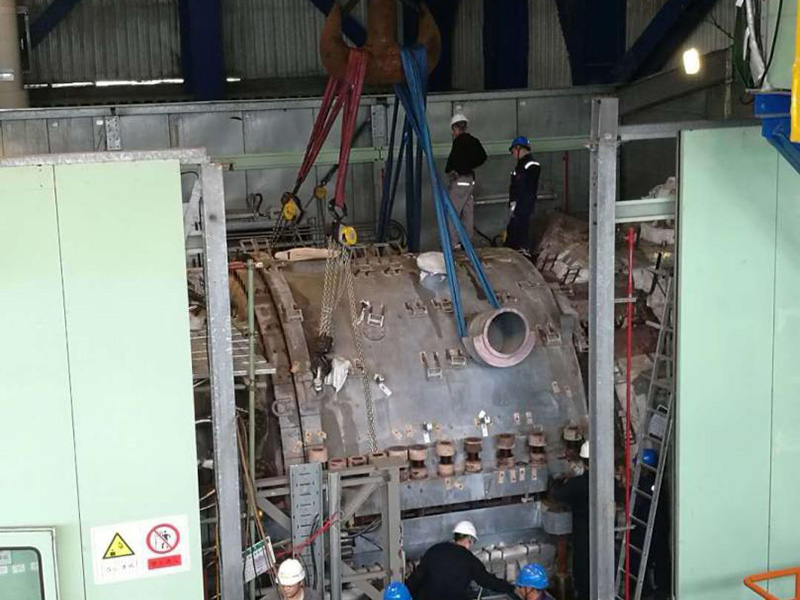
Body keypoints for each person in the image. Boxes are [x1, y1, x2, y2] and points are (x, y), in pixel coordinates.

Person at [406, 520, 516, 600]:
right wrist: (512, 588)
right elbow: (488, 581)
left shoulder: (434, 550)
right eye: (472, 542)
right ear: (469, 539)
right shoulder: (469, 559)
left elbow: (417, 578)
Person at [550, 441, 590, 600]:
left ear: (584, 462)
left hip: (583, 533)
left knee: (583, 569)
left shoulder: (577, 484)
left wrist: (557, 480)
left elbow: (557, 495)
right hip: (606, 534)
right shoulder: (609, 481)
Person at [444, 114, 487, 247]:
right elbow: (483, 157)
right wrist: (469, 166)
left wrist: (457, 169)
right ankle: (467, 243)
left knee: (453, 212)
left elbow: (451, 163)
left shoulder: (458, 142)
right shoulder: (473, 140)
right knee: (468, 213)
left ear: (455, 128)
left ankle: (453, 243)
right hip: (470, 181)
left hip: (460, 181)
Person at [505, 136, 541, 255]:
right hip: (519, 202)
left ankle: (523, 250)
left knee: (521, 227)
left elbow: (524, 186)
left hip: (524, 202)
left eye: (513, 151)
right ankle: (515, 249)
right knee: (514, 228)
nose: (513, 154)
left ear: (519, 148)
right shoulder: (521, 165)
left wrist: (517, 201)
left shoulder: (530, 165)